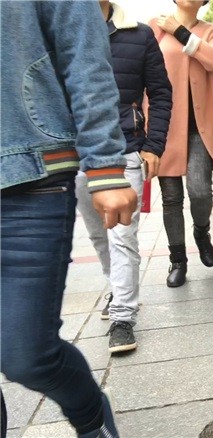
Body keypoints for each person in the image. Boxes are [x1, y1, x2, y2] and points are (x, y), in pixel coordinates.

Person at [1, 2, 138, 436]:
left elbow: (84, 55)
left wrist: (106, 165)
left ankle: (91, 416)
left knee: (26, 355)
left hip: (28, 175)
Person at [75, 0, 172, 354]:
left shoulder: (140, 35)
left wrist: (154, 145)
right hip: (76, 154)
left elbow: (161, 93)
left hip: (125, 149)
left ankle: (123, 317)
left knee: (122, 236)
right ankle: (117, 289)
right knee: (98, 235)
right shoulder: (63, 29)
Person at [151, 0, 213, 288]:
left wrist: (180, 31)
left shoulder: (211, 31)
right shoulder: (155, 28)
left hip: (200, 129)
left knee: (200, 191)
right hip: (164, 127)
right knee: (171, 198)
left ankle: (202, 231)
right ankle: (178, 261)